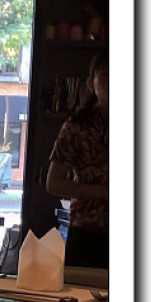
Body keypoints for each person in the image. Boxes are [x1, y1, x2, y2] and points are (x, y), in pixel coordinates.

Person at [46, 52, 109, 269]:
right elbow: (53, 183)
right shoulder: (77, 126)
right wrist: (102, 192)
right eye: (106, 76)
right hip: (87, 230)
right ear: (91, 84)